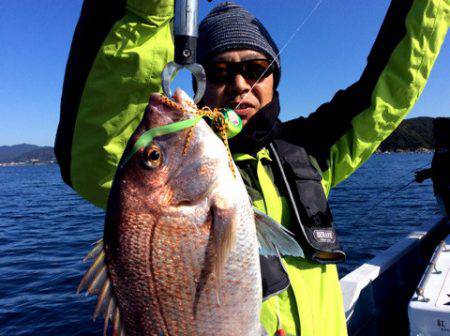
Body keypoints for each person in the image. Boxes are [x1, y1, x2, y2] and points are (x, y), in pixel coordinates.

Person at [55, 1, 449, 335]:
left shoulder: (307, 149)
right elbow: (100, 134)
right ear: (197, 80)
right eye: (220, 72)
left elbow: (387, 92)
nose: (241, 83)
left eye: (256, 66)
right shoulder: (140, 175)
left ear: (275, 77)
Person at [415, 118, 450, 218]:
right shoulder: (441, 146)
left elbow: (445, 170)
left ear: (444, 131)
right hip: (442, 191)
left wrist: (425, 174)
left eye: (435, 130)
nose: (433, 132)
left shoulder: (445, 146)